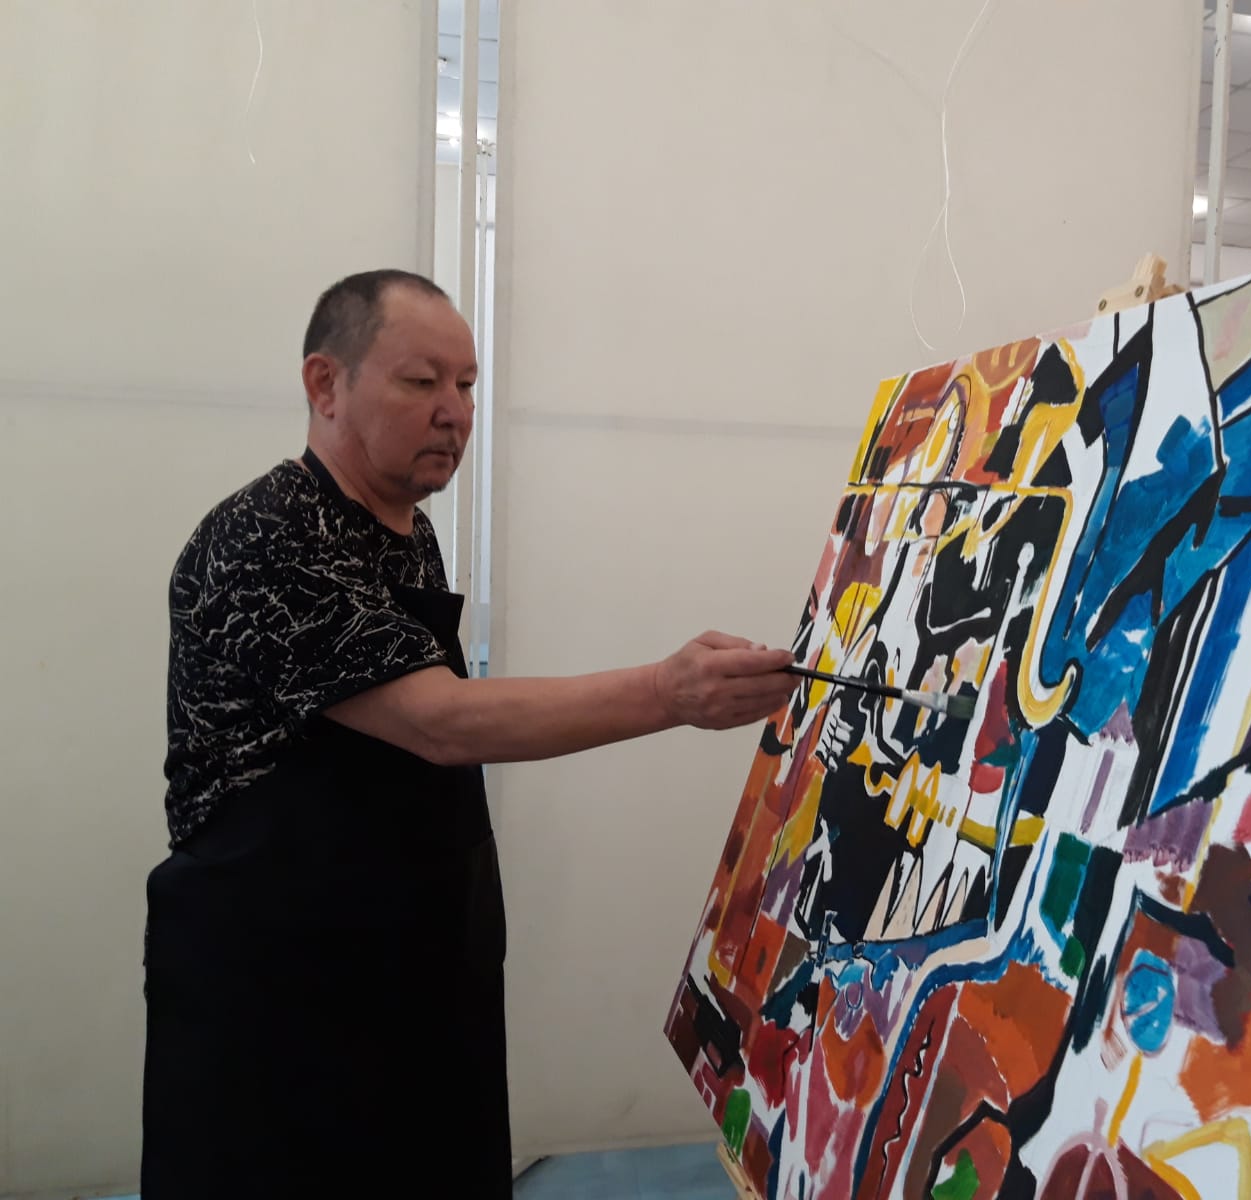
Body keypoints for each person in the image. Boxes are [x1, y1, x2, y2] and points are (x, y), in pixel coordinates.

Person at [141, 269, 796, 1199]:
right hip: (277, 990)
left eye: (467, 384)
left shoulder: (406, 532)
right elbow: (438, 721)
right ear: (325, 384)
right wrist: (667, 691)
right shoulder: (269, 534)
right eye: (421, 382)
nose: (454, 412)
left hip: (409, 963)